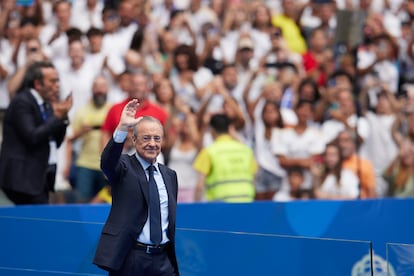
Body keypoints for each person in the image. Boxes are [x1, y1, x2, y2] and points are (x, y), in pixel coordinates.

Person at [93, 99, 179, 275]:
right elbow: (108, 163)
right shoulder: (124, 166)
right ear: (134, 139)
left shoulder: (170, 175)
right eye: (146, 138)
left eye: (157, 138)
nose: (152, 143)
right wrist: (122, 128)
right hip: (132, 258)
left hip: (163, 259)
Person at [0, 61, 72, 204]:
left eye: (57, 80)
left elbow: (55, 141)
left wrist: (63, 118)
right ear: (38, 84)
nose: (57, 84)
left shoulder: (46, 104)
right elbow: (32, 136)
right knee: (38, 221)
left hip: (40, 178)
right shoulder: (22, 102)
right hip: (22, 180)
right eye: (52, 81)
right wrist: (57, 117)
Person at [193, 113, 257, 202]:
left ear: (212, 130)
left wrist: (196, 206)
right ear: (229, 129)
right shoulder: (246, 151)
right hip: (246, 201)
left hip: (220, 206)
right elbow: (254, 178)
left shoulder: (209, 152)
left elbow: (200, 185)